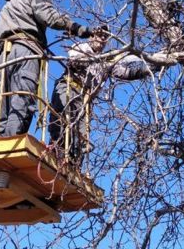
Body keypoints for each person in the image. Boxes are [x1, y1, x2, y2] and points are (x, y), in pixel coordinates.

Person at [0, 0, 98, 137]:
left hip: (5, 54)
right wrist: (80, 29)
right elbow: (50, 17)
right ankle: (9, 147)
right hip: (27, 50)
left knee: (3, 107)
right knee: (23, 101)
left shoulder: (11, 3)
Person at [49, 32, 170, 162]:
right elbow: (76, 61)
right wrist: (103, 59)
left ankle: (74, 163)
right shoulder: (81, 47)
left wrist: (153, 66)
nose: (101, 39)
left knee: (81, 136)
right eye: (99, 35)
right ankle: (57, 155)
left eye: (104, 37)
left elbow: (127, 73)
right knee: (62, 122)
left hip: (86, 99)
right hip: (69, 87)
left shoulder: (107, 62)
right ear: (91, 36)